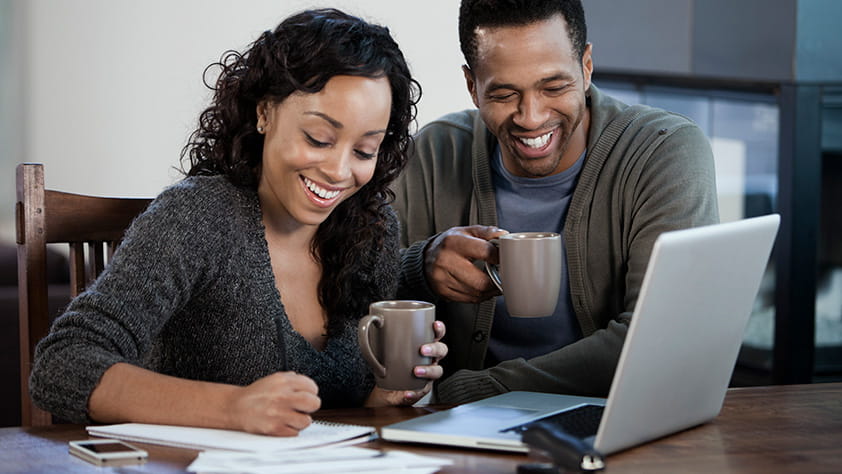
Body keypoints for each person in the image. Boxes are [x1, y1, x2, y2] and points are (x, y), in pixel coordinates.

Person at [30, 8, 447, 436]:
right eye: (318, 138)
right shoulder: (198, 217)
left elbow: (343, 420)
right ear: (264, 112)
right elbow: (62, 364)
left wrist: (387, 395)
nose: (339, 171)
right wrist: (233, 408)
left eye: (364, 151)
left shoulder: (372, 232)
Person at [393, 0, 718, 404]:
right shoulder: (433, 153)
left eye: (554, 87)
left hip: (611, 419)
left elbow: (662, 336)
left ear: (586, 67)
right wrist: (419, 267)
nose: (530, 117)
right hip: (459, 430)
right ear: (472, 86)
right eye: (504, 93)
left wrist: (475, 392)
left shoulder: (663, 150)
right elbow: (353, 300)